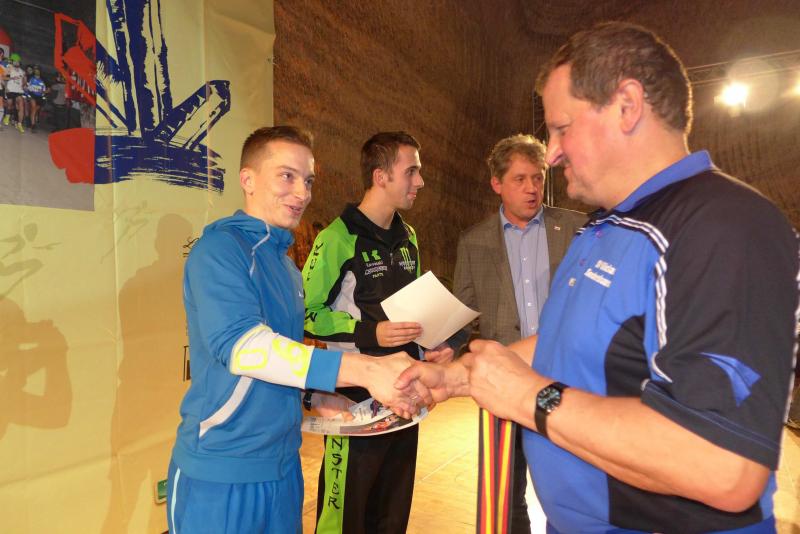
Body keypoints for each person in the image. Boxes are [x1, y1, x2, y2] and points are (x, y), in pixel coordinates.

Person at [398, 22, 799, 533]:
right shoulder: (605, 226)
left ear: (627, 106)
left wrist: (532, 397)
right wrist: (459, 376)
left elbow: (723, 465)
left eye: (562, 128)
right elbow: (572, 342)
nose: (553, 153)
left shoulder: (723, 228)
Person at [166, 126, 423, 534]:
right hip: (222, 472)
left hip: (284, 469)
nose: (302, 192)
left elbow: (284, 355)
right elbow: (245, 347)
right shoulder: (218, 250)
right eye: (287, 176)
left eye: (308, 181)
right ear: (247, 180)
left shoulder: (286, 267)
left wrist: (315, 395)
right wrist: (364, 369)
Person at [303, 131, 452, 534]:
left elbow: (412, 310)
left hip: (404, 402)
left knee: (391, 519)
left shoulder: (409, 237)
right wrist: (371, 333)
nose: (420, 181)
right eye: (411, 172)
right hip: (352, 407)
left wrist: (431, 343)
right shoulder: (336, 238)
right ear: (380, 176)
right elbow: (307, 314)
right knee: (343, 521)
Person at [449, 134, 585, 533]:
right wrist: (446, 348)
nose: (532, 188)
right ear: (497, 183)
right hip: (502, 387)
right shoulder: (473, 242)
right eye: (520, 179)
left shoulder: (576, 230)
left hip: (567, 382)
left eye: (538, 178)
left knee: (572, 494)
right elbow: (461, 315)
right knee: (506, 497)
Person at [3, 53, 26, 133]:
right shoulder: (9, 68)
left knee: (21, 106)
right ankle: (7, 115)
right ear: (12, 61)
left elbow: (24, 81)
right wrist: (12, 78)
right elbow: (3, 77)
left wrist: (24, 85)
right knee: (10, 105)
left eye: (18, 61)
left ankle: (19, 124)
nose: (17, 62)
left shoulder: (22, 71)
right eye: (15, 61)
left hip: (19, 91)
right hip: (10, 89)